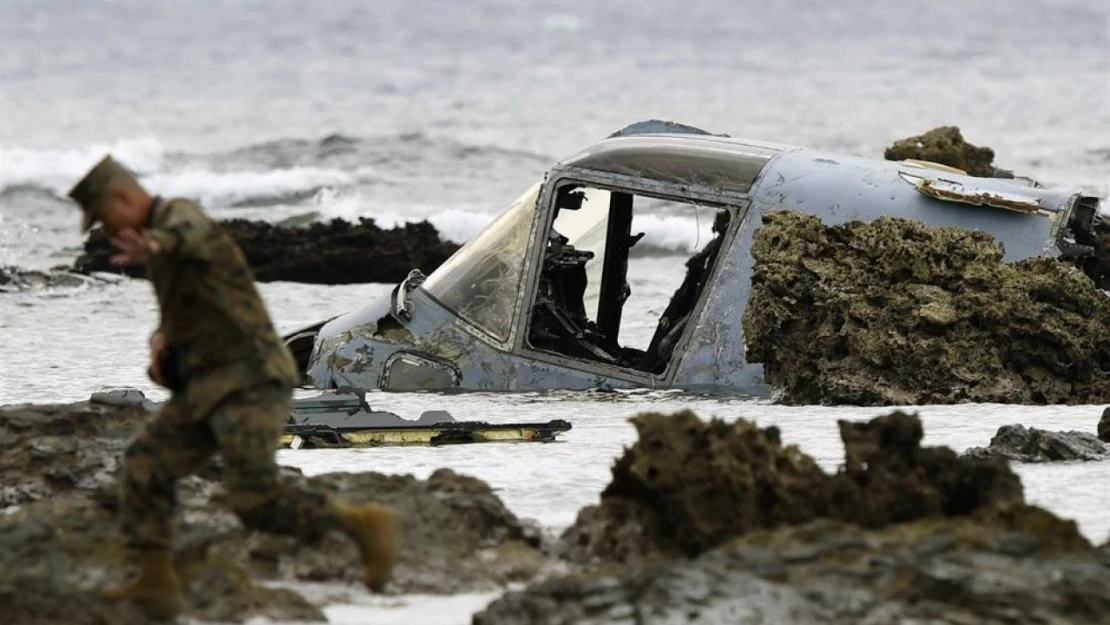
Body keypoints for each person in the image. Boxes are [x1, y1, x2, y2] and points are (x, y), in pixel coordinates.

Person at [68, 155, 400, 620]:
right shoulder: (162, 253)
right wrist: (162, 348)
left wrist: (157, 245)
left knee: (255, 501)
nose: (106, 229)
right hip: (206, 387)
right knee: (144, 467)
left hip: (251, 381)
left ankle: (362, 526)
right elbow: (190, 308)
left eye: (105, 218)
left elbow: (191, 238)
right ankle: (155, 584)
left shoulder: (180, 221)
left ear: (123, 198)